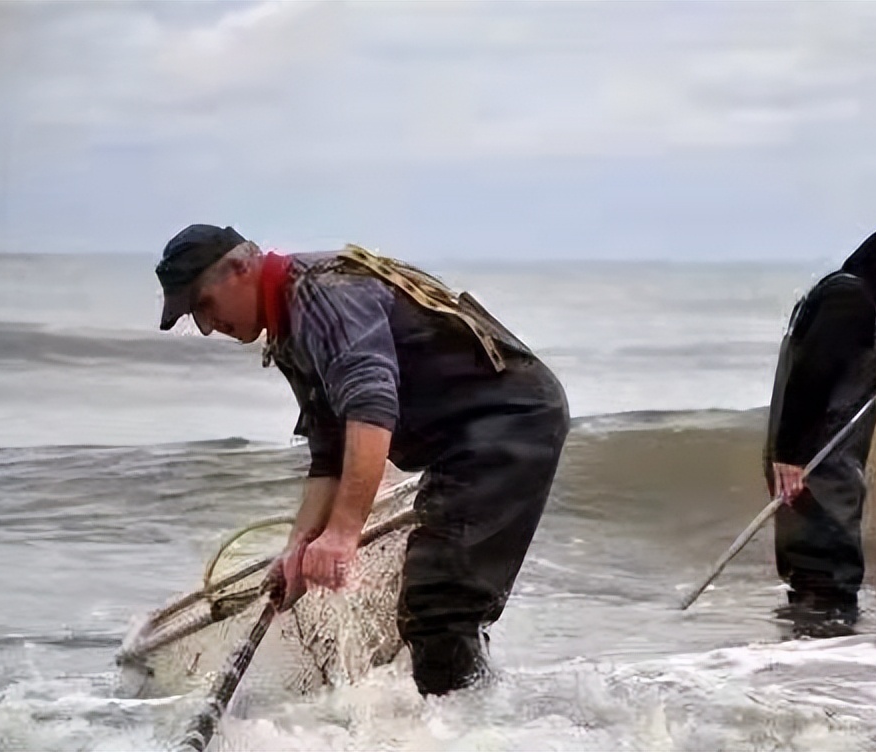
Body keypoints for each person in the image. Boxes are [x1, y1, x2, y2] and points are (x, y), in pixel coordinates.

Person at [154, 224, 570, 696]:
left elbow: (371, 408)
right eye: (195, 316)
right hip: (464, 439)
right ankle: (479, 716)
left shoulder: (324, 295)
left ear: (240, 267)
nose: (208, 326)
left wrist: (342, 534)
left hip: (510, 421)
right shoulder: (288, 326)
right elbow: (329, 449)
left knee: (439, 605)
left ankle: (478, 730)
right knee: (437, 605)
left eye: (204, 304)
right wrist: (298, 547)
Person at [764, 221, 876, 629]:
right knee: (828, 575)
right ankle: (819, 666)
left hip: (811, 460)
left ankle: (804, 669)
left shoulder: (837, 294)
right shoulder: (849, 298)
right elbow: (812, 375)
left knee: (814, 575)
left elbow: (840, 372)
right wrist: (790, 455)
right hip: (816, 463)